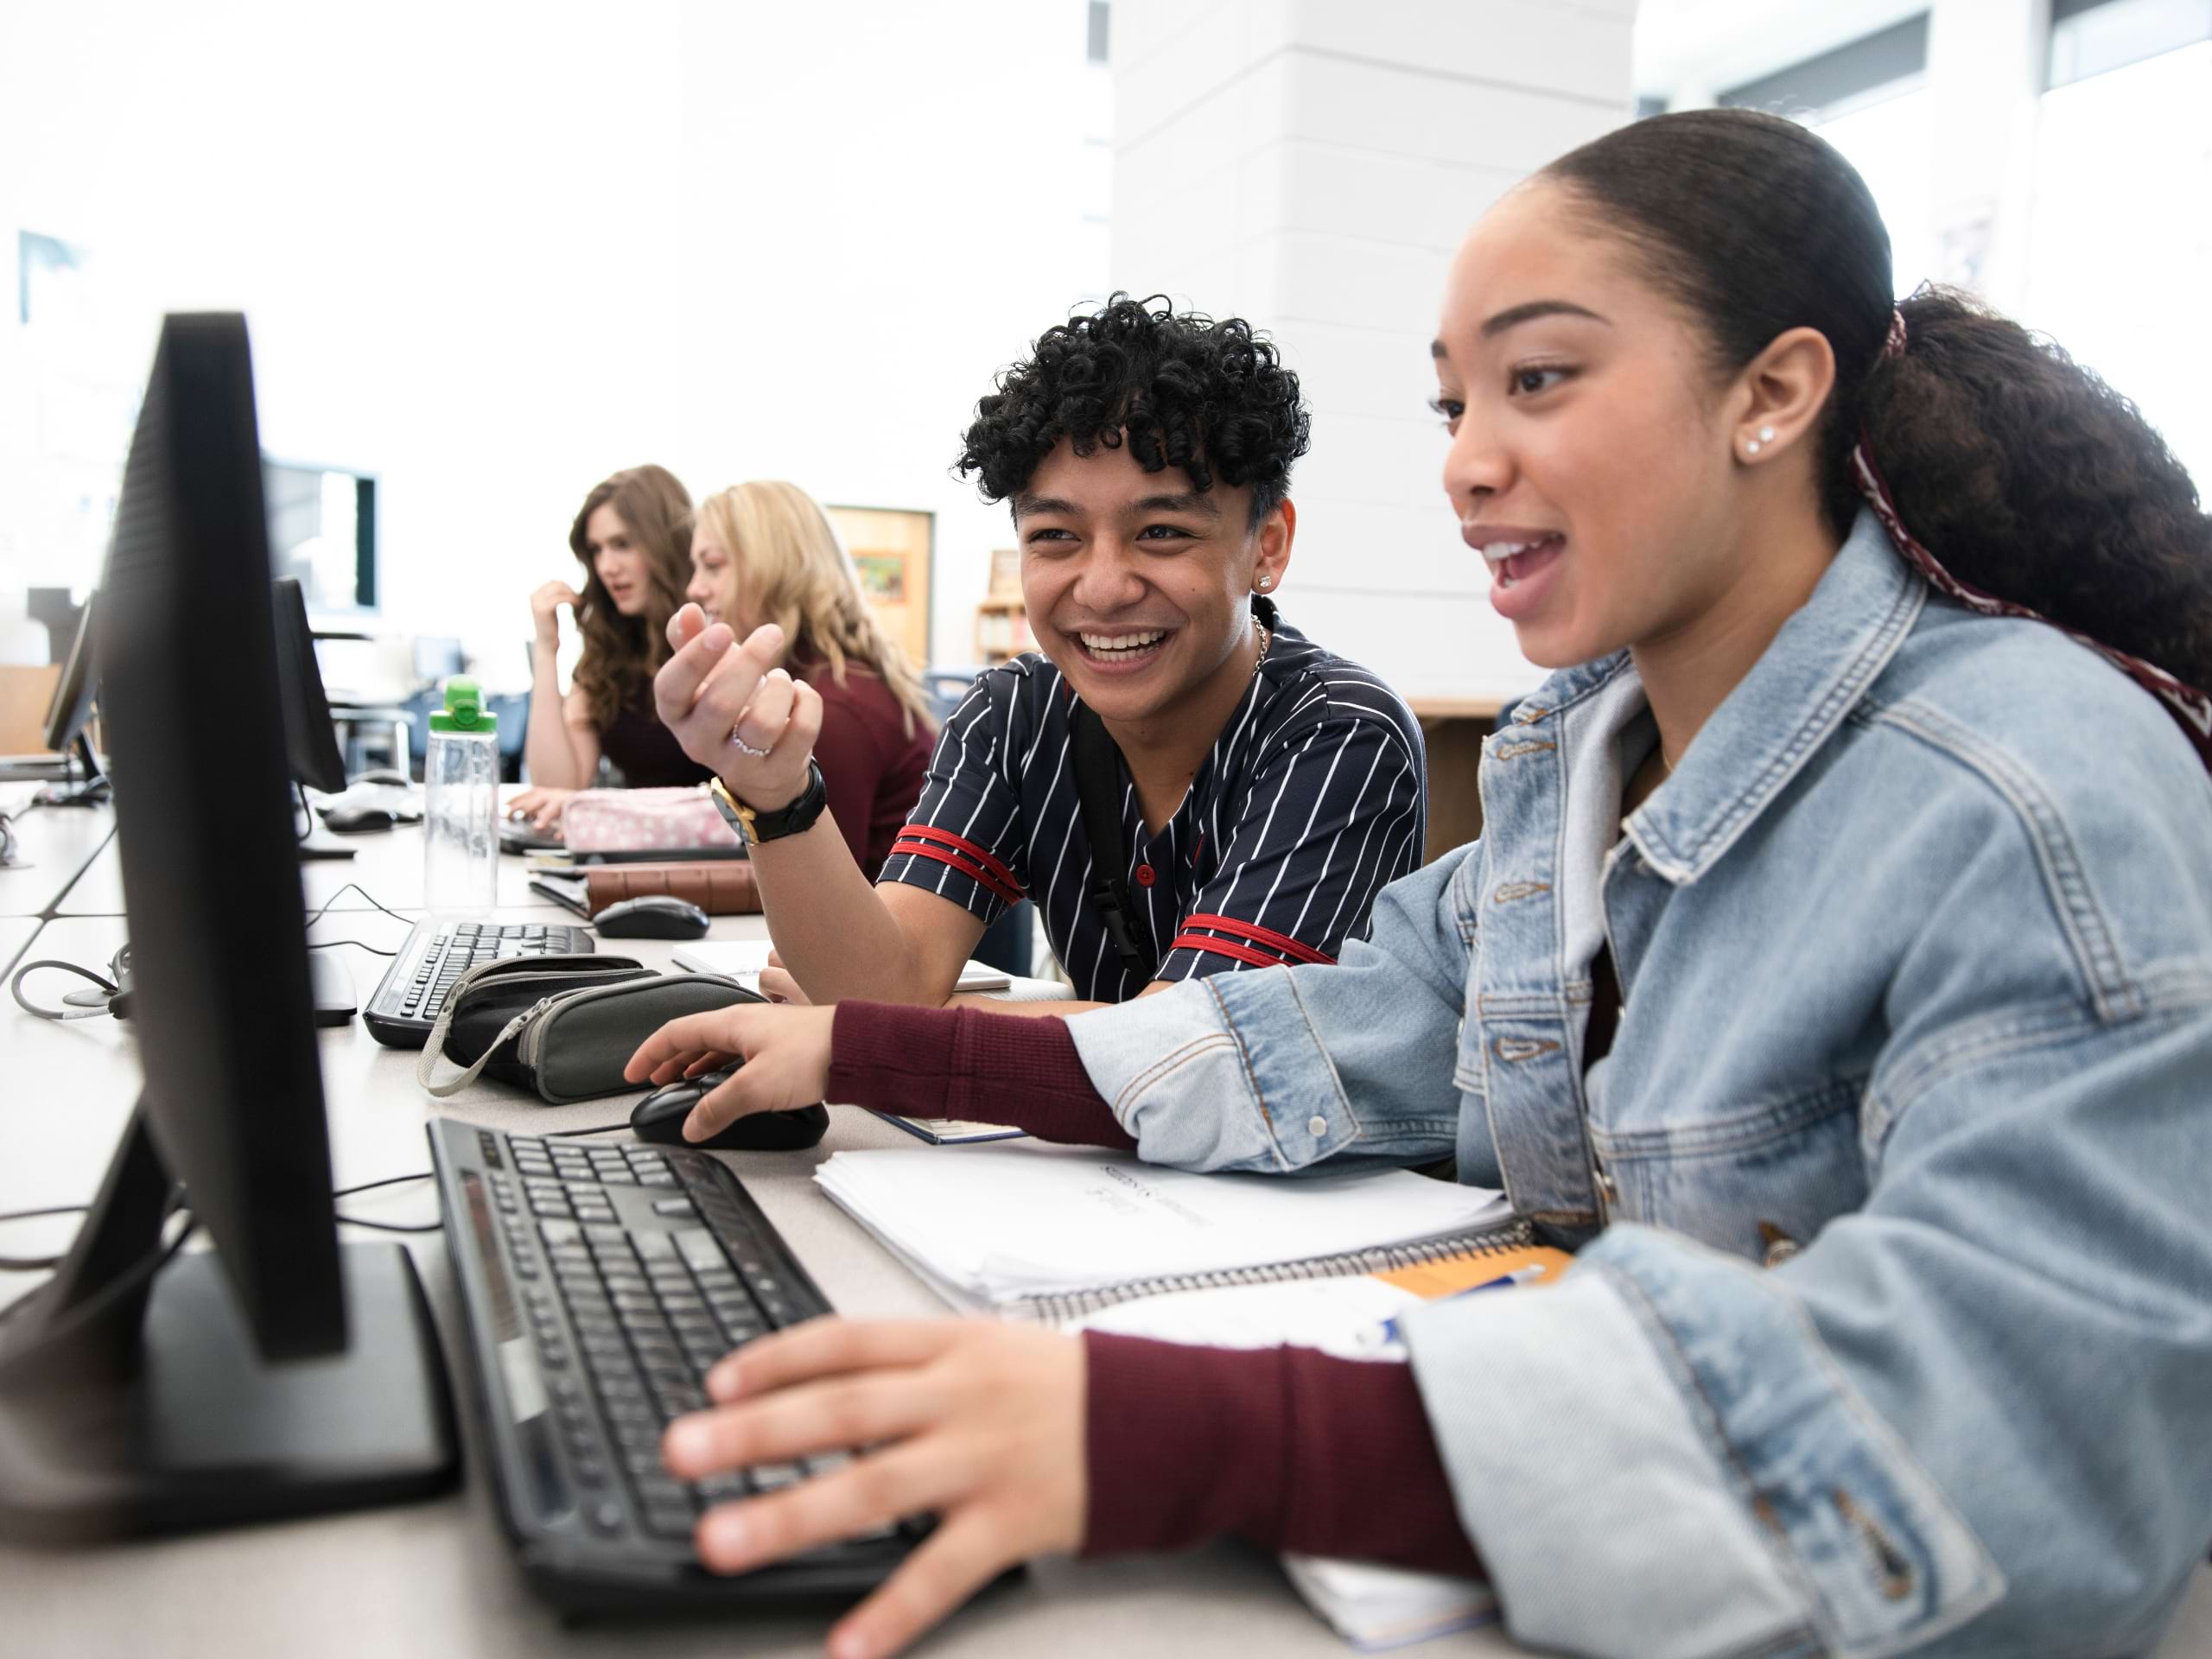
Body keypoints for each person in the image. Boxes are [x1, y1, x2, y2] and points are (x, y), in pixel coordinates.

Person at [625, 109, 2212, 1659]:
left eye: (1538, 380)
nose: (1466, 467)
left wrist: (1173, 1429)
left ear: (1774, 393)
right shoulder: (1577, 755)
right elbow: (1321, 1031)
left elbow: (2010, 1449)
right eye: (1455, 403)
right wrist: (861, 1048)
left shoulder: (2031, 787)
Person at [650, 296, 1427, 1013]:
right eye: (1056, 536)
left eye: (1162, 532)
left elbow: (1195, 1046)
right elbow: (882, 986)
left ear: (1269, 545)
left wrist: (946, 1016)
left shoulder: (1341, 734)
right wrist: (776, 791)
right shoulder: (1016, 715)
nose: (1104, 587)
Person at [683, 480, 936, 878]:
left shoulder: (833, 711)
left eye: (713, 565)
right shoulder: (828, 680)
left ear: (775, 567)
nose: (694, 587)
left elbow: (814, 899)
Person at [512, 464, 709, 830]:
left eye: (622, 544)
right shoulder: (610, 652)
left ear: (665, 542)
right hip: (639, 858)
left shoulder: (713, 638)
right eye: (596, 550)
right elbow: (556, 790)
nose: (606, 566)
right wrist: (546, 649)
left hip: (718, 864)